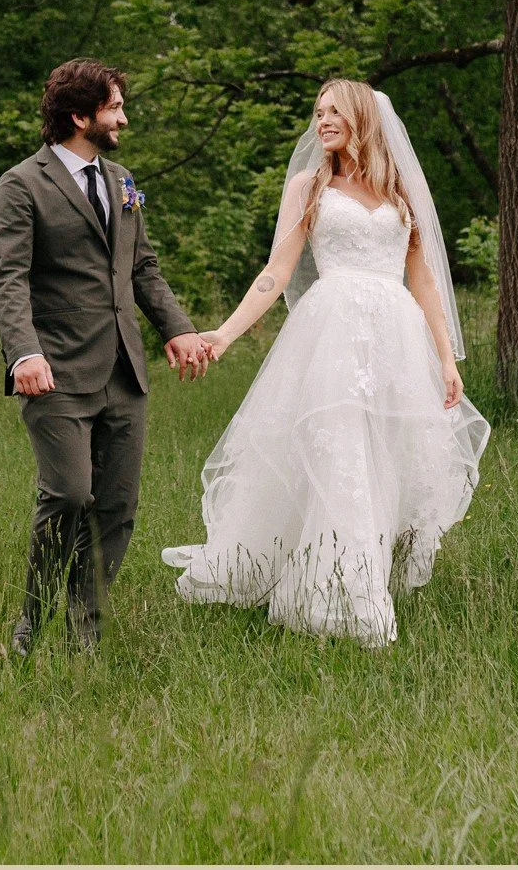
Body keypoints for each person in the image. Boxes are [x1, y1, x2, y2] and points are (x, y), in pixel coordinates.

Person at [162, 79, 491, 647]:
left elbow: (423, 280)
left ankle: (364, 574)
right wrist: (226, 333)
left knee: (387, 455)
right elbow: (277, 272)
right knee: (341, 453)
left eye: (334, 111)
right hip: (331, 334)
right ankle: (342, 599)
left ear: (362, 116)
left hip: (395, 339)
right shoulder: (309, 186)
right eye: (318, 113)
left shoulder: (400, 189)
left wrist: (445, 357)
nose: (323, 122)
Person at [0, 59, 211, 656]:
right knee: (68, 495)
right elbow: (7, 279)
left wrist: (177, 329)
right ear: (79, 116)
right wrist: (23, 354)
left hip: (124, 371)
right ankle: (30, 626)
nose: (124, 118)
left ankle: (83, 635)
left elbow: (142, 267)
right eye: (114, 108)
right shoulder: (21, 185)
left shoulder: (122, 181)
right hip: (54, 371)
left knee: (115, 507)